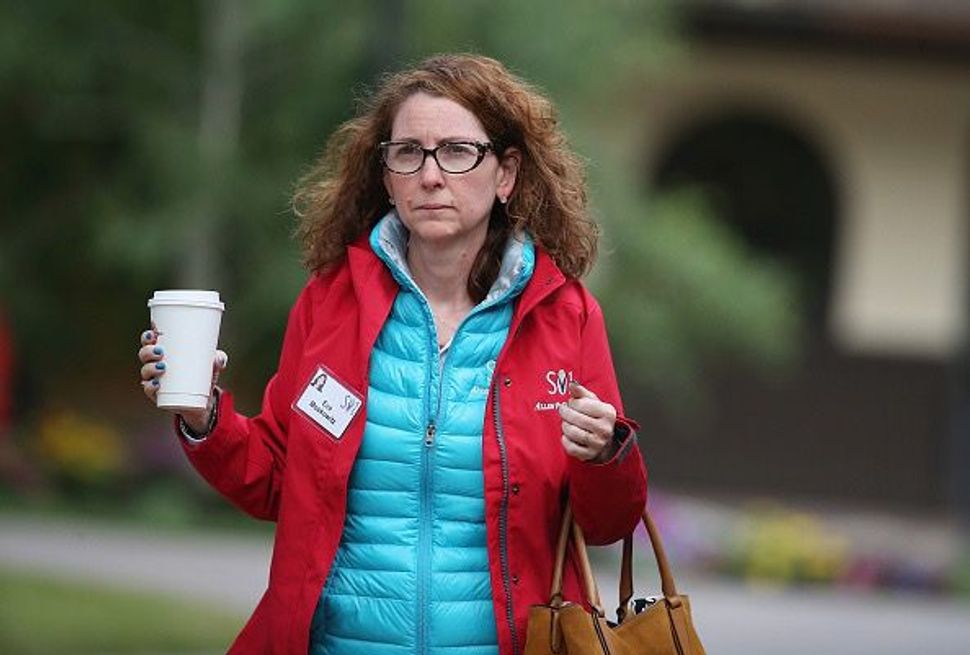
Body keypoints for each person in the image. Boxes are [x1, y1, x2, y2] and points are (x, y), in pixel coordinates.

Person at [138, 53, 646, 655]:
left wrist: (604, 455)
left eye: (457, 151)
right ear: (386, 176)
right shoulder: (330, 302)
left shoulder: (567, 315)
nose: (430, 175)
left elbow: (608, 522)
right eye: (408, 153)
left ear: (506, 174)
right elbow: (276, 482)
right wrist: (203, 416)